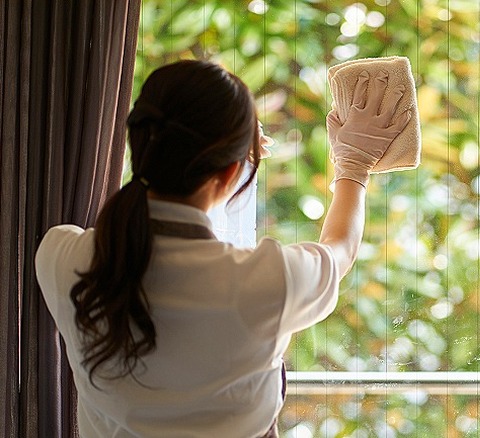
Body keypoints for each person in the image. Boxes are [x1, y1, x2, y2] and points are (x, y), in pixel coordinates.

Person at [35, 59, 410, 437]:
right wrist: (353, 163)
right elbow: (340, 249)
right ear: (230, 173)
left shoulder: (59, 257)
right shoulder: (266, 281)